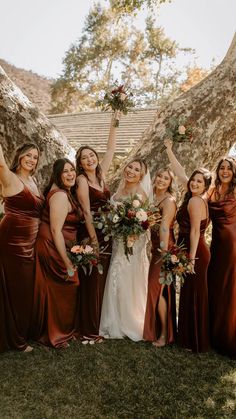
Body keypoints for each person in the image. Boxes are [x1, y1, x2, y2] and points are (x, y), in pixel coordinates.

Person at [164, 139, 211, 352]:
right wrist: (169, 151)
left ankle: (194, 341)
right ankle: (190, 337)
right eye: (193, 180)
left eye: (199, 182)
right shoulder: (196, 196)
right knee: (190, 291)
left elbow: (194, 231)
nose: (193, 183)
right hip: (193, 249)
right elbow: (181, 172)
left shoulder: (194, 201)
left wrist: (191, 259)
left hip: (195, 250)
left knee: (193, 293)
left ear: (206, 186)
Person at [75, 112, 119, 342]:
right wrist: (93, 240)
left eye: (92, 155)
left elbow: (110, 150)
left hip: (107, 232)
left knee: (101, 279)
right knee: (92, 280)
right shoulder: (82, 180)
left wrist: (115, 120)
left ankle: (97, 324)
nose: (90, 159)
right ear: (80, 163)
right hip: (91, 234)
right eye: (85, 157)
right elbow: (85, 211)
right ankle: (88, 329)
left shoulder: (101, 176)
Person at [31, 158, 80, 348]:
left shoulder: (64, 191)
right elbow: (55, 230)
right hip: (52, 245)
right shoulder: (59, 195)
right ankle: (56, 334)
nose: (70, 174)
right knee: (68, 283)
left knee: (57, 288)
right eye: (65, 172)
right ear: (58, 176)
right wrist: (67, 261)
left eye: (72, 170)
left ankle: (59, 330)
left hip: (56, 244)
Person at [0, 143, 44, 353]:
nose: (31, 160)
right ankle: (15, 340)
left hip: (29, 244)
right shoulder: (9, 176)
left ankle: (18, 333)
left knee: (23, 290)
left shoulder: (33, 180)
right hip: (11, 242)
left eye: (35, 157)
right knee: (16, 289)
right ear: (19, 156)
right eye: (27, 155)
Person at [99, 159, 150, 341]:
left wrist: (131, 234)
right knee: (116, 274)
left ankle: (128, 321)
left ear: (141, 176)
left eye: (137, 170)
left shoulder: (140, 193)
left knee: (127, 276)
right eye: (130, 167)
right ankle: (114, 320)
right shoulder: (119, 189)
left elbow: (144, 223)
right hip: (118, 241)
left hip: (131, 244)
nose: (131, 171)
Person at [143, 168, 177, 347]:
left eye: (166, 178)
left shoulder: (169, 201)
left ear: (170, 183)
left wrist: (163, 254)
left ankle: (164, 335)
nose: (162, 180)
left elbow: (164, 228)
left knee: (158, 290)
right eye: (160, 176)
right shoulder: (151, 197)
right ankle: (152, 328)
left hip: (164, 249)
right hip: (153, 248)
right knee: (154, 289)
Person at [207, 157, 236, 359]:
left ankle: (229, 336)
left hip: (234, 247)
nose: (225, 171)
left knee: (230, 289)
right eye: (222, 168)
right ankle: (214, 334)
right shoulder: (212, 191)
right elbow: (185, 180)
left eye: (229, 169)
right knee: (216, 286)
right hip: (216, 247)